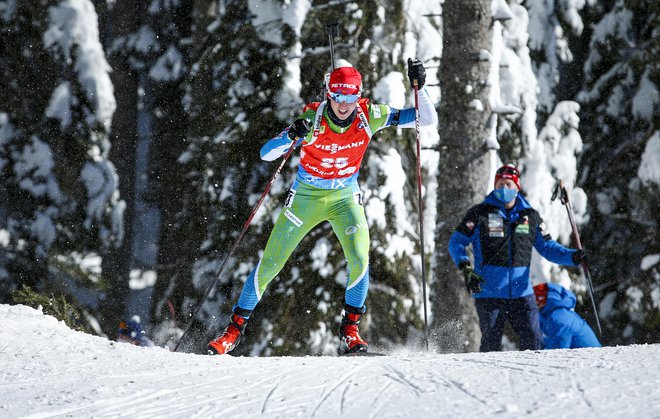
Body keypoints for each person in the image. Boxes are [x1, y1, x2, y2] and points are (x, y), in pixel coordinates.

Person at [207, 59, 437, 355]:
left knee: (359, 258)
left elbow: (425, 118)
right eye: (338, 96)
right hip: (306, 198)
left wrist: (421, 87)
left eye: (351, 96)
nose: (344, 104)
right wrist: (290, 135)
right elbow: (266, 154)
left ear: (359, 96)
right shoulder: (312, 119)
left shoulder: (371, 116)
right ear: (329, 94)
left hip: (344, 198)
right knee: (271, 264)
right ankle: (233, 331)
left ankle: (351, 332)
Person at [448, 164, 585, 352]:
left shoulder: (530, 216)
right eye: (500, 185)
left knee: (533, 342)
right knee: (490, 345)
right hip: (489, 292)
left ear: (517, 187)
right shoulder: (479, 213)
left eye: (508, 185)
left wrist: (573, 257)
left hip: (522, 293)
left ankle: (533, 379)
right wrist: (466, 268)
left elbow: (547, 248)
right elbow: (456, 242)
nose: (504, 189)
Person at [533, 282, 601, 349]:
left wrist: (537, 343)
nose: (532, 303)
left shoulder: (559, 318)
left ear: (541, 300)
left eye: (534, 299)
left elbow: (557, 350)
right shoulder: (555, 313)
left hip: (592, 358)